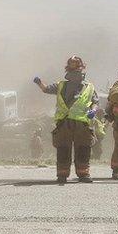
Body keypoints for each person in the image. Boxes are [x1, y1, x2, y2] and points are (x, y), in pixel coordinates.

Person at [33, 55, 99, 184]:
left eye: (77, 70)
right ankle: (62, 175)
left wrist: (93, 110)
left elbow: (95, 102)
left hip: (82, 123)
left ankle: (83, 174)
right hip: (64, 123)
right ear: (68, 70)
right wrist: (39, 83)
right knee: (63, 149)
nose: (75, 73)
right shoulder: (61, 85)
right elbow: (46, 89)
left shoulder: (89, 87)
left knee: (83, 149)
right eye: (72, 69)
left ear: (81, 70)